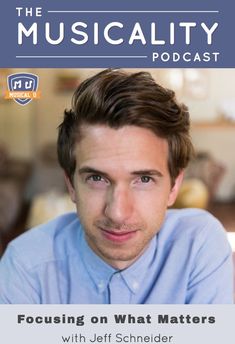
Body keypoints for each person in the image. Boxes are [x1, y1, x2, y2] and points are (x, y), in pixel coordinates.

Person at [0, 69, 233, 304]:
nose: (118, 213)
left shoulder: (199, 245)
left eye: (144, 179)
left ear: (174, 187)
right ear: (70, 184)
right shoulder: (26, 266)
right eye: (97, 179)